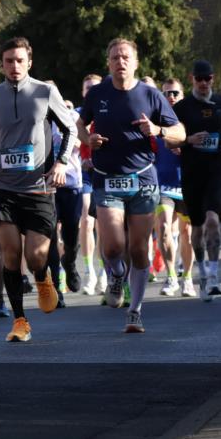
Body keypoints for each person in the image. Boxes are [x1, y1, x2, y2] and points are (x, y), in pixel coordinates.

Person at [77, 39, 184, 333]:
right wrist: (88, 139)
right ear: (108, 63)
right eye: (115, 57)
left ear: (135, 62)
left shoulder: (151, 95)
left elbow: (180, 132)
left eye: (125, 57)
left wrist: (158, 130)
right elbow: (79, 125)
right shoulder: (98, 93)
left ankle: (135, 311)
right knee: (113, 245)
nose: (120, 62)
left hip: (143, 180)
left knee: (138, 249)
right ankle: (116, 274)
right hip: (107, 177)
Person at [0, 37, 76, 343]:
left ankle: (43, 277)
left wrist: (61, 163)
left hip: (38, 188)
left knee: (34, 257)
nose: (14, 66)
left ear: (29, 62)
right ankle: (20, 320)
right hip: (3, 186)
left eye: (20, 60)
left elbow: (70, 129)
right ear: (2, 64)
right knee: (10, 253)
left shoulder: (46, 92)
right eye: (9, 61)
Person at [174, 60, 221, 302]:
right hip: (192, 172)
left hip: (217, 169)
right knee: (197, 227)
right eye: (199, 79)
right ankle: (202, 272)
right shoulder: (182, 107)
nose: (204, 83)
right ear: (192, 79)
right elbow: (171, 139)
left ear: (213, 79)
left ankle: (215, 275)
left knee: (212, 219)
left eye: (208, 78)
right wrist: (189, 140)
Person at [154, 78, 195, 297]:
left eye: (175, 93)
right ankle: (171, 276)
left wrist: (186, 147)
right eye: (167, 93)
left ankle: (187, 278)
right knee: (163, 228)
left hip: (187, 184)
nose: (171, 97)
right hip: (163, 185)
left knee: (187, 233)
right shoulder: (156, 120)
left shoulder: (190, 119)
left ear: (182, 95)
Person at [46, 83, 83, 307]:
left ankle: (69, 262)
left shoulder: (71, 117)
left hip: (71, 184)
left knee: (71, 235)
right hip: (46, 185)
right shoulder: (36, 119)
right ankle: (56, 288)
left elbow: (84, 143)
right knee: (49, 237)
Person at [76, 74, 104, 294]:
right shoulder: (76, 114)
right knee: (86, 219)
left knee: (104, 223)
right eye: (88, 88)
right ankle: (89, 271)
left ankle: (104, 270)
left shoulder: (108, 111)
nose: (91, 91)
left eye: (95, 87)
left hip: (105, 173)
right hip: (84, 174)